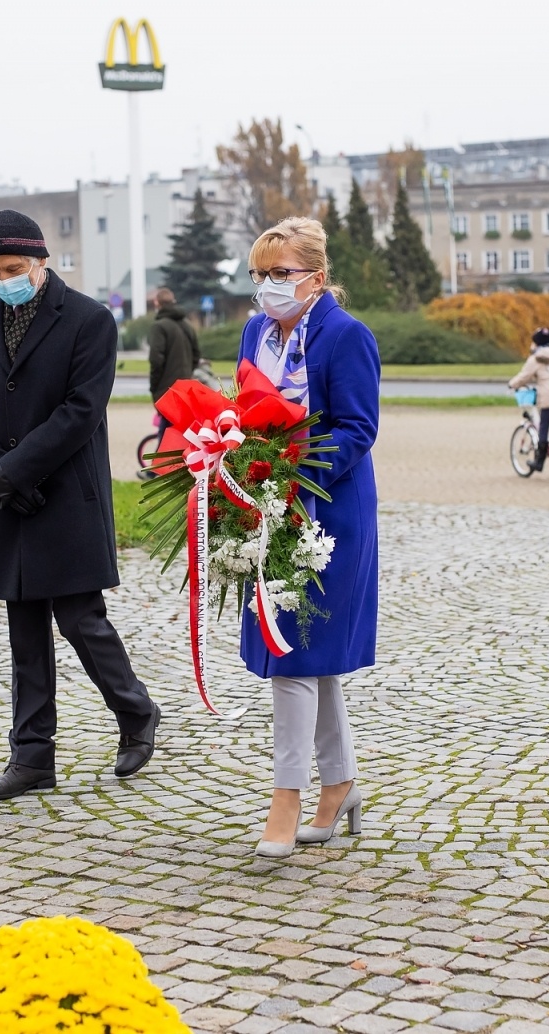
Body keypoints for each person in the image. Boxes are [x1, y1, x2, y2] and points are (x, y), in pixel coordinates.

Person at [0, 209, 162, 800]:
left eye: (14, 268)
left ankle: (136, 714)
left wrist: (15, 470)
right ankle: (32, 758)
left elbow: (81, 409)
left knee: (79, 619)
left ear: (42, 261)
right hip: (10, 498)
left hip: (67, 495)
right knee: (24, 631)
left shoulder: (91, 321)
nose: (4, 279)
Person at [235, 217, 380, 859]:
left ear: (317, 277)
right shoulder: (254, 331)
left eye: (281, 274)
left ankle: (287, 796)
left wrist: (297, 468)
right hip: (264, 507)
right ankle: (340, 781)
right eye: (261, 275)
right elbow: (240, 411)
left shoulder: (346, 336)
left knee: (294, 653)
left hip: (328, 511)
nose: (269, 286)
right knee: (306, 660)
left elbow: (357, 427)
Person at [141, 288, 203, 480]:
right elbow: (196, 355)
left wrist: (154, 386)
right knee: (176, 428)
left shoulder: (160, 327)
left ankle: (157, 470)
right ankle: (173, 468)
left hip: (167, 388)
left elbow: (156, 360)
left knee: (166, 429)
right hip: (185, 387)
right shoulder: (186, 324)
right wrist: (187, 374)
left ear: (157, 304)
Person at [507, 328, 549, 473]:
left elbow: (524, 376)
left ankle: (539, 461)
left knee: (543, 426)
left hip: (548, 395)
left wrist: (512, 384)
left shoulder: (536, 359)